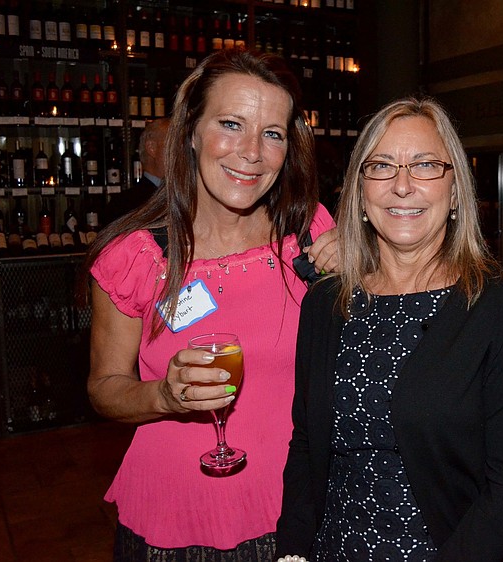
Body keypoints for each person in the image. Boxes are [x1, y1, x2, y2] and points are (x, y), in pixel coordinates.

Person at [85, 49, 338, 560]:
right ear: (191, 132)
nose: (251, 152)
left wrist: (360, 268)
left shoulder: (310, 235)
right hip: (176, 518)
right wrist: (164, 396)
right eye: (230, 124)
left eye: (273, 133)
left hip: (299, 507)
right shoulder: (136, 256)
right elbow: (104, 388)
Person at [276, 96, 503, 561]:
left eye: (424, 165)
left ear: (456, 189)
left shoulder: (502, 304)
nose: (402, 186)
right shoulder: (325, 303)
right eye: (381, 166)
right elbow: (305, 445)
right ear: (360, 192)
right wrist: (293, 551)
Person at [102, 117, 170, 224]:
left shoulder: (187, 196)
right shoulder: (126, 205)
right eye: (173, 146)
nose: (183, 153)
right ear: (152, 148)